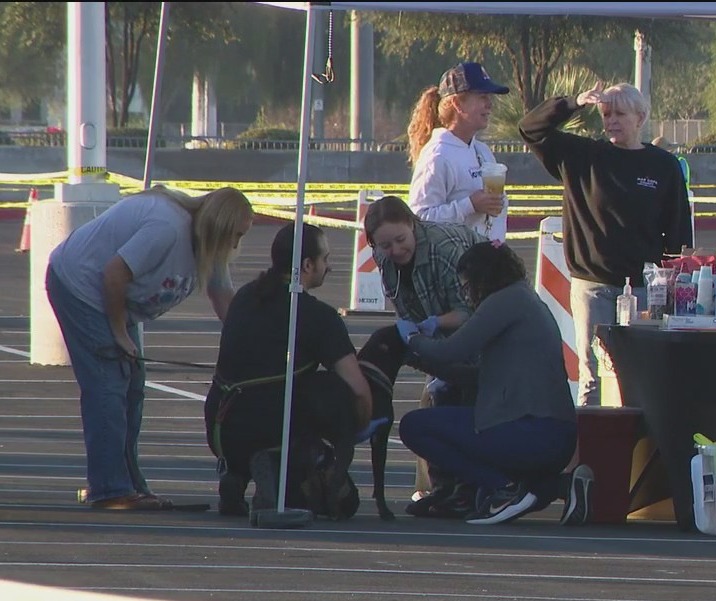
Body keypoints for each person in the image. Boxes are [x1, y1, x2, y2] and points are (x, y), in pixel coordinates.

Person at [45, 185, 254, 510]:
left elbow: (224, 299)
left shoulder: (209, 244)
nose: (236, 245)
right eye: (235, 235)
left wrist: (249, 348)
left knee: (133, 387)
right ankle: (109, 488)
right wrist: (119, 333)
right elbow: (114, 273)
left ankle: (127, 483)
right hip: (81, 286)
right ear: (219, 226)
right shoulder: (168, 228)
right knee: (108, 386)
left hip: (117, 300)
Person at [519, 81, 693, 407]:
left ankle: (638, 435)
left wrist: (676, 282)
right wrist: (573, 103)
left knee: (640, 374)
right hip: (593, 286)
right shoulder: (582, 156)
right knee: (592, 377)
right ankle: (591, 437)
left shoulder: (663, 166)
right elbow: (530, 128)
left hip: (644, 289)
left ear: (640, 118)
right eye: (606, 114)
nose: (611, 121)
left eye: (619, 114)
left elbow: (679, 230)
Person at [397, 241, 584, 525]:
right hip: (555, 434)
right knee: (517, 488)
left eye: (466, 286)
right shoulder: (526, 299)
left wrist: (412, 339)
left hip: (527, 430)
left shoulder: (503, 302)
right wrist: (422, 362)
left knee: (415, 426)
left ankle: (505, 489)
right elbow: (478, 375)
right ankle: (560, 486)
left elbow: (452, 351)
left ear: (481, 279)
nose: (466, 295)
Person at [204, 222, 374, 519]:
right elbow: (358, 389)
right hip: (271, 428)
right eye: (325, 259)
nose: (329, 267)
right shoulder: (318, 317)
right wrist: (351, 430)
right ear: (307, 265)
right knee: (332, 390)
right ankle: (275, 461)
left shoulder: (244, 297)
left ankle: (237, 472)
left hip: (221, 425)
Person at [363, 194, 486, 510]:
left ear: (413, 224)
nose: (395, 250)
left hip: (481, 332)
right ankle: (443, 486)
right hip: (437, 333)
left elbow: (471, 312)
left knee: (467, 400)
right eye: (385, 245)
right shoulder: (384, 257)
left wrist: (432, 324)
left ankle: (470, 487)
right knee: (438, 399)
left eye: (400, 240)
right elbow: (403, 302)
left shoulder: (444, 249)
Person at [407, 62, 510, 242]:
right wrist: (469, 205)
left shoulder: (482, 151)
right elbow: (419, 218)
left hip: (487, 257)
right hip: (453, 259)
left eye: (489, 97)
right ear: (457, 104)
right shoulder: (437, 155)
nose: (489, 105)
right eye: (482, 97)